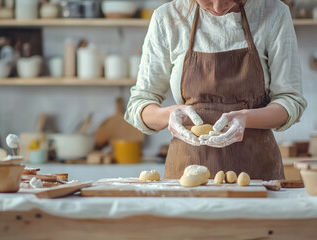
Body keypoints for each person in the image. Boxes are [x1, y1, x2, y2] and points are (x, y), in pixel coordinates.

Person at [125, 0, 307, 180]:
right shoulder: (167, 18)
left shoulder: (273, 12)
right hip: (186, 174)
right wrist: (170, 115)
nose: (218, 7)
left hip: (257, 176)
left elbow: (289, 100)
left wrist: (246, 118)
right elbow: (140, 103)